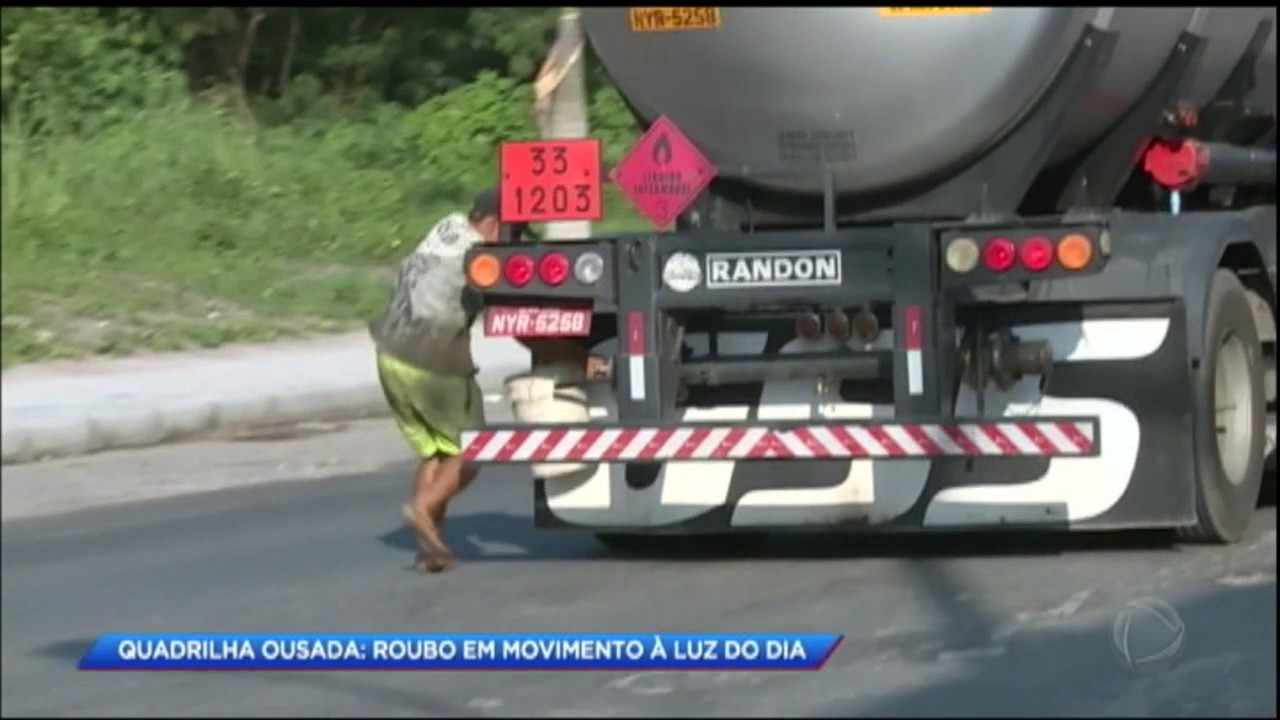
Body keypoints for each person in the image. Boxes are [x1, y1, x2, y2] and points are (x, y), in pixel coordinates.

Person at [370, 188, 516, 573]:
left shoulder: (447, 228)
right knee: (471, 449)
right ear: (496, 222)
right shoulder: (480, 256)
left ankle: (428, 548)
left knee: (437, 451)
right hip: (432, 360)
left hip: (389, 353)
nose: (514, 241)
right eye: (515, 230)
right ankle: (422, 508)